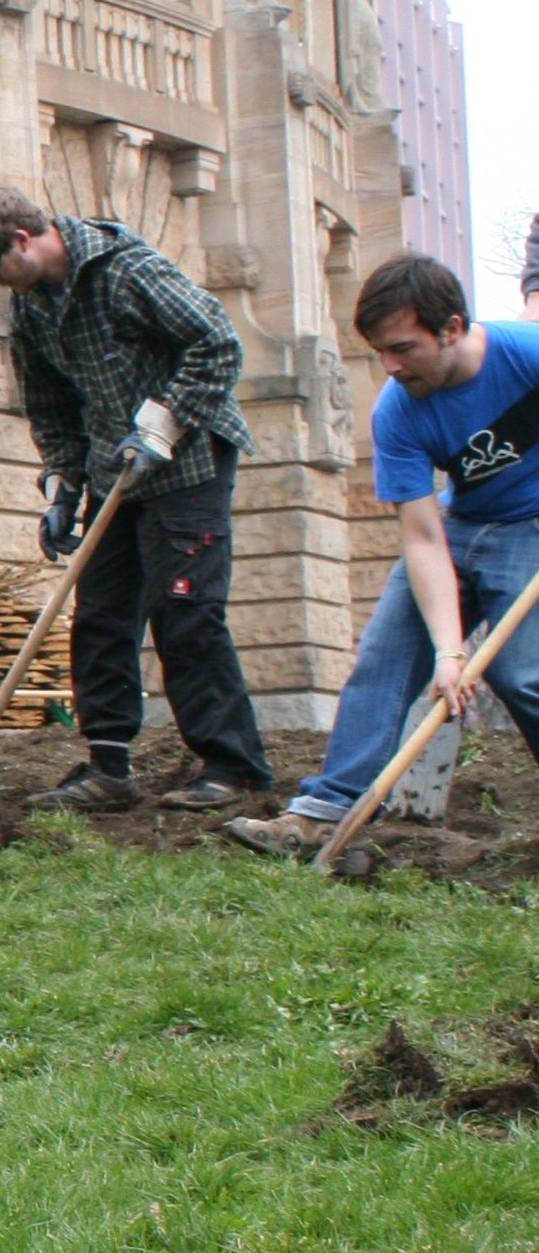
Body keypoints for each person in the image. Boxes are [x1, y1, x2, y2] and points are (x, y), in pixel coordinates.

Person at [0, 179, 271, 812]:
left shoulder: (130, 272)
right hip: (114, 473)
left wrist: (166, 421)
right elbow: (50, 404)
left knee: (184, 612)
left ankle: (235, 768)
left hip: (189, 464)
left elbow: (217, 343)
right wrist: (62, 485)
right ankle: (109, 766)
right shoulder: (32, 306)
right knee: (99, 615)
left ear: (22, 240)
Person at [226, 256, 539, 856]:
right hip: (458, 525)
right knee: (384, 659)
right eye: (379, 352)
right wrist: (449, 650)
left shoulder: (525, 354)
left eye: (403, 348)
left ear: (451, 328)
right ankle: (323, 813)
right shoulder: (398, 409)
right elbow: (422, 536)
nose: (390, 367)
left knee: (521, 673)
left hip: (528, 529)